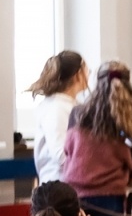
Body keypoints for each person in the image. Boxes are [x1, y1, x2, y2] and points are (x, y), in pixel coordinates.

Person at [61, 61, 132, 216]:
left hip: (75, 200)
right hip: (111, 201)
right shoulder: (130, 125)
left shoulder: (77, 115)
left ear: (97, 84)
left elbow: (68, 152)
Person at [26, 51, 88, 184]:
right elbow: (60, 154)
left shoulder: (73, 104)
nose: (89, 74)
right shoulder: (55, 107)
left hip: (71, 183)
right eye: (87, 70)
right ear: (78, 74)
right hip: (57, 185)